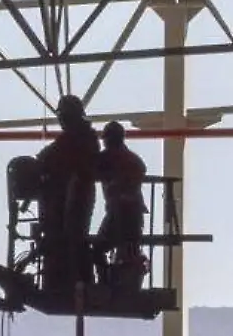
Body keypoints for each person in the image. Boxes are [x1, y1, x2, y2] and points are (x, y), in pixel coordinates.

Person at [34, 95, 100, 291]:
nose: (61, 121)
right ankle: (74, 279)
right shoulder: (81, 137)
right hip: (74, 198)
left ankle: (72, 280)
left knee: (72, 240)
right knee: (72, 240)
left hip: (75, 199)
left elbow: (48, 158)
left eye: (63, 116)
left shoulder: (78, 139)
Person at [94, 121, 148, 289]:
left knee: (97, 249)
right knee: (130, 250)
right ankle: (124, 281)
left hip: (119, 213)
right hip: (134, 214)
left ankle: (104, 282)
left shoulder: (106, 158)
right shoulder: (134, 160)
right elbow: (141, 169)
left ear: (107, 139)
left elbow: (87, 171)